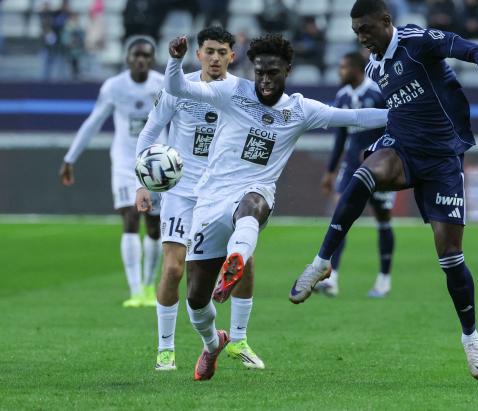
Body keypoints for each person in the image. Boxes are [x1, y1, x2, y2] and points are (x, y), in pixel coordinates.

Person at [290, 0, 478, 380]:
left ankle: (470, 337)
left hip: (443, 159)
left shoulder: (419, 42)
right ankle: (321, 263)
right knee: (362, 175)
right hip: (404, 148)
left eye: (367, 30)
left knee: (451, 257)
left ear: (386, 21)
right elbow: (396, 111)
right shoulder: (375, 66)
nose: (362, 39)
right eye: (357, 32)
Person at [163, 33, 388, 381]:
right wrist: (176, 61)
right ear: (253, 70)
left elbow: (356, 116)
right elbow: (178, 89)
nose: (265, 80)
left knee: (252, 205)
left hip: (255, 192)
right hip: (210, 199)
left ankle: (236, 260)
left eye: (273, 73)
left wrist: (405, 113)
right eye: (260, 73)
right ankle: (213, 343)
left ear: (288, 70)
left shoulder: (299, 110)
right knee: (195, 299)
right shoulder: (230, 91)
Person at [135, 27, 265, 371]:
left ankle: (237, 340)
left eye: (222, 52)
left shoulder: (242, 92)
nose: (215, 58)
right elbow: (149, 131)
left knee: (244, 262)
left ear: (231, 56)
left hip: (223, 192)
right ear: (199, 55)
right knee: (175, 268)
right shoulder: (178, 89)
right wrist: (142, 184)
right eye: (209, 51)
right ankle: (166, 348)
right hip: (181, 192)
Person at [60, 36, 164, 308]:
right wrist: (70, 158)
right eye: (136, 55)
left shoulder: (162, 85)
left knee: (154, 226)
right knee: (130, 217)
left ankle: (150, 287)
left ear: (152, 60)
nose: (140, 60)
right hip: (124, 163)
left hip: (155, 164)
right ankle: (135, 291)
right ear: (127, 58)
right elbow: (93, 122)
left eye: (146, 56)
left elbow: (175, 120)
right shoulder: (114, 87)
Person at [315, 52, 395, 298]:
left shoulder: (378, 93)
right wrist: (329, 171)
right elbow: (339, 137)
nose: (339, 72)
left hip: (379, 165)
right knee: (341, 216)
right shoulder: (342, 96)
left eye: (343, 67)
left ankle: (384, 279)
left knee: (382, 219)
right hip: (351, 167)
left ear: (357, 69)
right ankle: (332, 279)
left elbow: (394, 127)